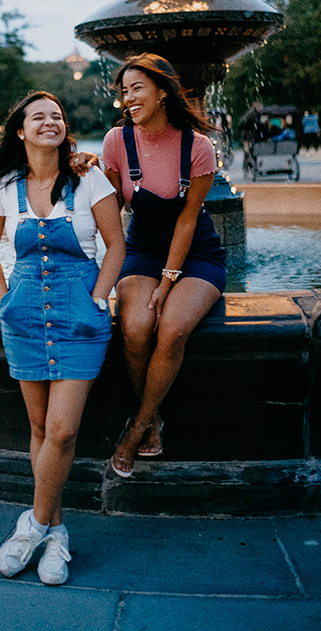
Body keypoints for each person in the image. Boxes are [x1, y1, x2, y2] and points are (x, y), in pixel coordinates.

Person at [0, 92, 125, 585]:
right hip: (23, 314)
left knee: (61, 431)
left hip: (79, 315)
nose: (50, 122)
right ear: (20, 130)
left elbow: (116, 245)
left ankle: (31, 526)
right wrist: (3, 299)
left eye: (57, 115)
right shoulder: (3, 186)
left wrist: (100, 298)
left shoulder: (88, 178)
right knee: (40, 429)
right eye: (38, 116)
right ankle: (57, 534)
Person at [101, 54, 226, 476]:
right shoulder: (117, 141)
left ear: (161, 91)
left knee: (172, 328)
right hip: (141, 251)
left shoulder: (199, 146)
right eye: (124, 91)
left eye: (137, 88)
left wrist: (169, 281)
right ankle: (152, 416)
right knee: (135, 326)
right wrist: (82, 169)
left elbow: (189, 218)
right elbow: (107, 205)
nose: (128, 98)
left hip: (196, 254)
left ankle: (138, 426)